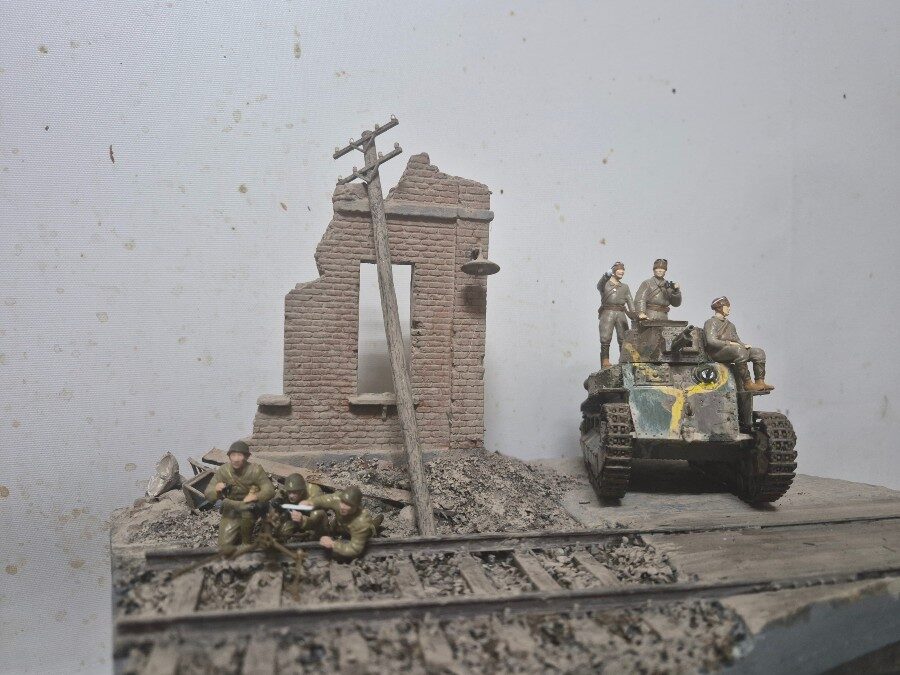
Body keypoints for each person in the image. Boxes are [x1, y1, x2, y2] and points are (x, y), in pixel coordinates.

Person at [204, 440, 276, 552]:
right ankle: (238, 534)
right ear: (229, 457)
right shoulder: (223, 471)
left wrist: (256, 496)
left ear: (246, 457)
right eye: (233, 455)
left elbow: (269, 490)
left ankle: (246, 542)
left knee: (248, 511)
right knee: (224, 547)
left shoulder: (255, 470)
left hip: (251, 508)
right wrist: (216, 490)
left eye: (240, 455)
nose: (236, 459)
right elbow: (208, 494)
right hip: (232, 509)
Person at [703, 296, 774, 392]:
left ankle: (760, 382)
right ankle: (748, 383)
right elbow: (711, 341)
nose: (729, 309)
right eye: (727, 306)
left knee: (758, 352)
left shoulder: (730, 325)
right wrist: (729, 343)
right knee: (740, 351)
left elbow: (736, 340)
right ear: (720, 308)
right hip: (717, 352)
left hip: (732, 350)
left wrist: (743, 345)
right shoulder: (711, 322)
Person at [303, 486, 380, 560]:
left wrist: (333, 544)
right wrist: (310, 502)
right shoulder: (338, 499)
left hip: (359, 532)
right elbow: (323, 500)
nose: (343, 507)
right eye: (343, 502)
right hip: (342, 525)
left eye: (348, 505)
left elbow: (355, 549)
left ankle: (376, 523)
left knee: (370, 529)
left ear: (356, 507)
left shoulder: (361, 522)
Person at [598, 261, 635, 368]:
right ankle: (605, 360)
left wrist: (634, 314)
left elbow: (630, 301)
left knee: (624, 338)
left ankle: (624, 360)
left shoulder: (625, 287)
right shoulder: (605, 284)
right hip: (607, 312)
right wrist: (606, 275)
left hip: (621, 313)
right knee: (605, 337)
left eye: (623, 270)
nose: (622, 272)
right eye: (619, 270)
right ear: (613, 271)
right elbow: (599, 285)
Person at [269, 472, 327, 540]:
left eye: (294, 492)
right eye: (289, 492)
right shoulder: (286, 490)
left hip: (311, 518)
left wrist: (303, 520)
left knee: (317, 514)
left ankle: (315, 538)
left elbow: (319, 515)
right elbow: (279, 496)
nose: (291, 496)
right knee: (283, 531)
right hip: (293, 515)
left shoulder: (314, 493)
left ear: (302, 491)